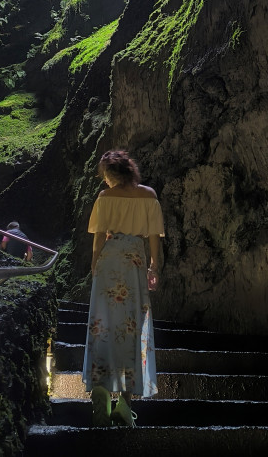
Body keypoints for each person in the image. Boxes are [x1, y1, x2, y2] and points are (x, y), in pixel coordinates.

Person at [82, 149, 164, 428]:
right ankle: (125, 404)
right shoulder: (149, 196)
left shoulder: (105, 198)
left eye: (104, 175)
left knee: (103, 326)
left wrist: (95, 266)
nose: (103, 181)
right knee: (132, 327)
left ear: (111, 173)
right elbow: (154, 239)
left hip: (109, 262)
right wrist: (154, 268)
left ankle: (101, 396)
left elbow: (97, 241)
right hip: (134, 262)